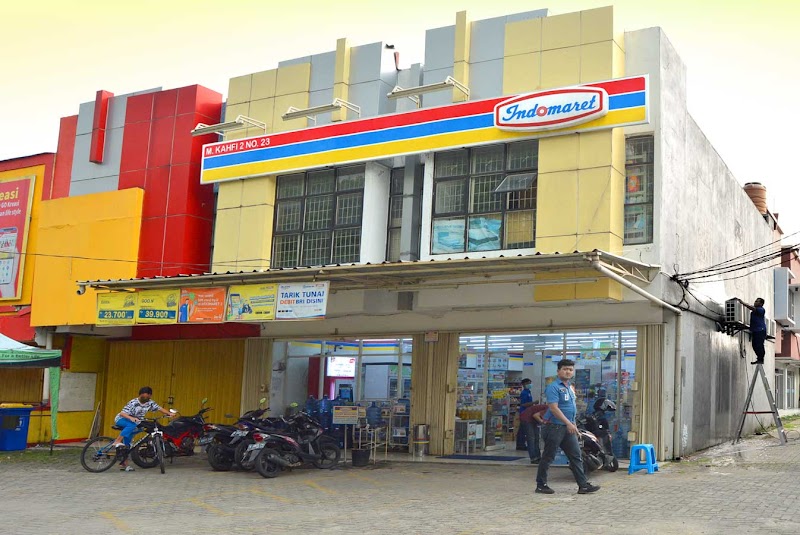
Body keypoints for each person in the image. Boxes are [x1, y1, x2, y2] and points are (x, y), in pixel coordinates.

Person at [535, 359, 600, 495]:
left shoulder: (569, 387)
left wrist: (574, 425)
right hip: (555, 427)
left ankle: (583, 485)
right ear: (558, 371)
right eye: (565, 369)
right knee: (548, 456)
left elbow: (571, 408)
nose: (568, 371)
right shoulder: (553, 387)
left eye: (570, 369)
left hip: (568, 428)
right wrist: (568, 423)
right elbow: (554, 409)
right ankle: (541, 485)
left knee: (576, 456)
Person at [111, 387, 175, 471]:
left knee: (128, 444)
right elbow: (122, 413)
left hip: (136, 422)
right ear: (140, 395)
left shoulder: (150, 403)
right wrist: (131, 418)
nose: (145, 399)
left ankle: (124, 464)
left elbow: (159, 408)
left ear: (150, 396)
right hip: (122, 419)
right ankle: (117, 441)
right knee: (132, 425)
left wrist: (169, 413)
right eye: (143, 397)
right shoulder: (133, 402)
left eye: (147, 398)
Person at [518, 399, 548, 464]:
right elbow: (535, 415)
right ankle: (533, 458)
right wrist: (543, 422)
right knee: (531, 439)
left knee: (536, 438)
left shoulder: (550, 409)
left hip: (532, 420)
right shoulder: (549, 409)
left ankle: (538, 457)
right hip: (526, 418)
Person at [741, 298, 766, 365]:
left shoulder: (761, 309)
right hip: (756, 330)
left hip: (760, 330)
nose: (755, 302)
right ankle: (759, 358)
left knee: (759, 345)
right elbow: (751, 307)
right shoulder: (756, 310)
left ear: (761, 304)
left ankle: (761, 359)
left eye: (757, 301)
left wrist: (742, 302)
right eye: (755, 301)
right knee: (754, 345)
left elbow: (751, 307)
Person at [516, 379, 535, 450]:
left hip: (527, 412)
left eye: (530, 383)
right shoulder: (524, 393)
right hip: (524, 413)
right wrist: (534, 403)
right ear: (524, 384)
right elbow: (523, 404)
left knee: (523, 429)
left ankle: (521, 444)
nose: (530, 384)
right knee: (522, 430)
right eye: (528, 383)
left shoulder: (528, 392)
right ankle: (520, 445)